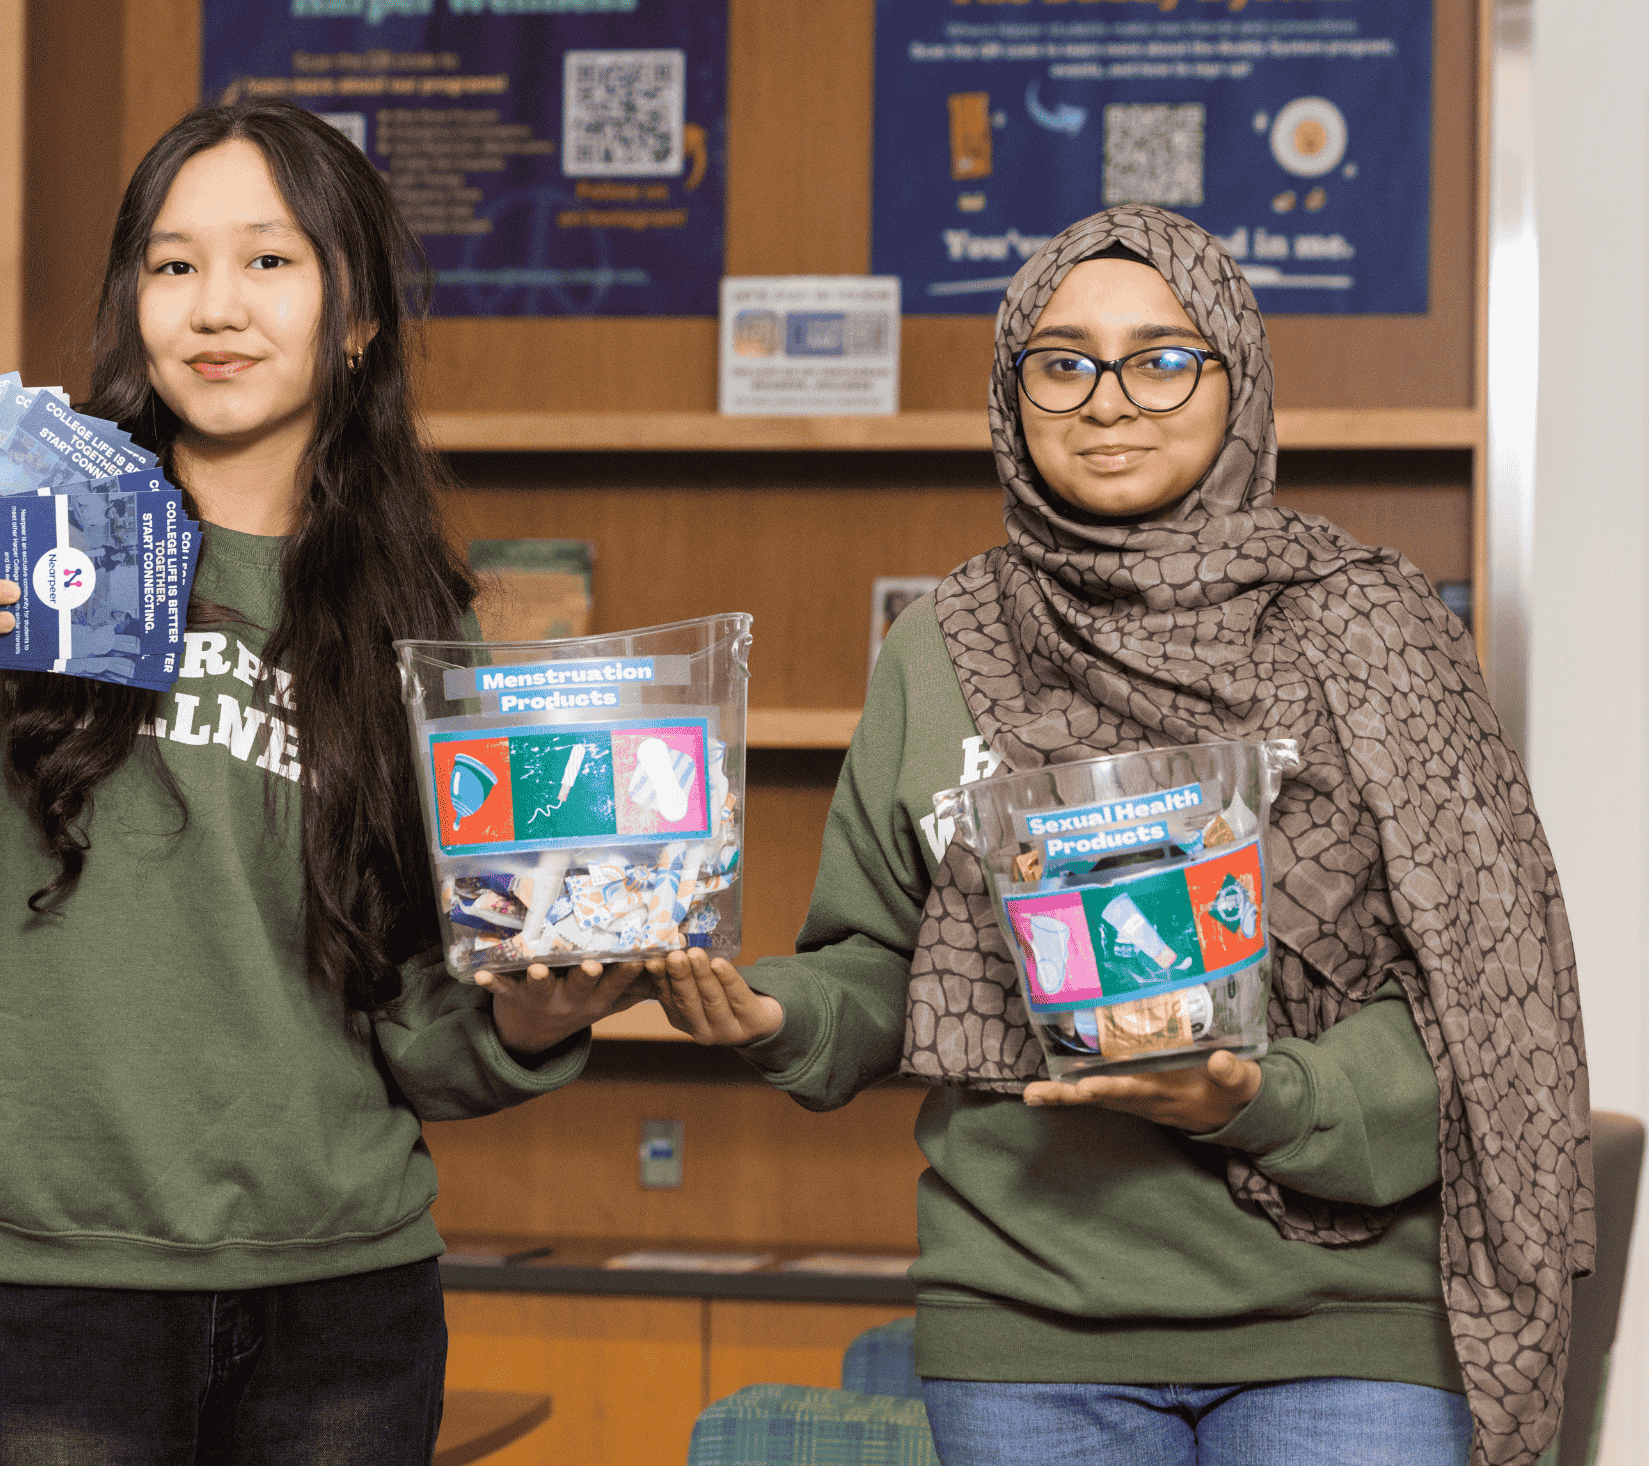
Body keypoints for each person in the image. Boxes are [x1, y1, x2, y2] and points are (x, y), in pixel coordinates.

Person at [0, 100, 639, 1465]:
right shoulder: (12, 533)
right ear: (133, 302)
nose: (214, 307)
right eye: (173, 265)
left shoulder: (423, 629)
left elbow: (415, 1021)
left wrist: (527, 1020)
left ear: (356, 317)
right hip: (57, 1292)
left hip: (347, 1299)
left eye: (268, 261)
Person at [650, 207, 1591, 1466]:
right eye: (1062, 360)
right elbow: (875, 953)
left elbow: (1480, 1001)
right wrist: (777, 1015)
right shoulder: (940, 644)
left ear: (1236, 377)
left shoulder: (1369, 630)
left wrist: (1258, 1095)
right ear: (1011, 390)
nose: (1108, 400)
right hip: (1028, 1323)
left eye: (1160, 357)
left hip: (1339, 1323)